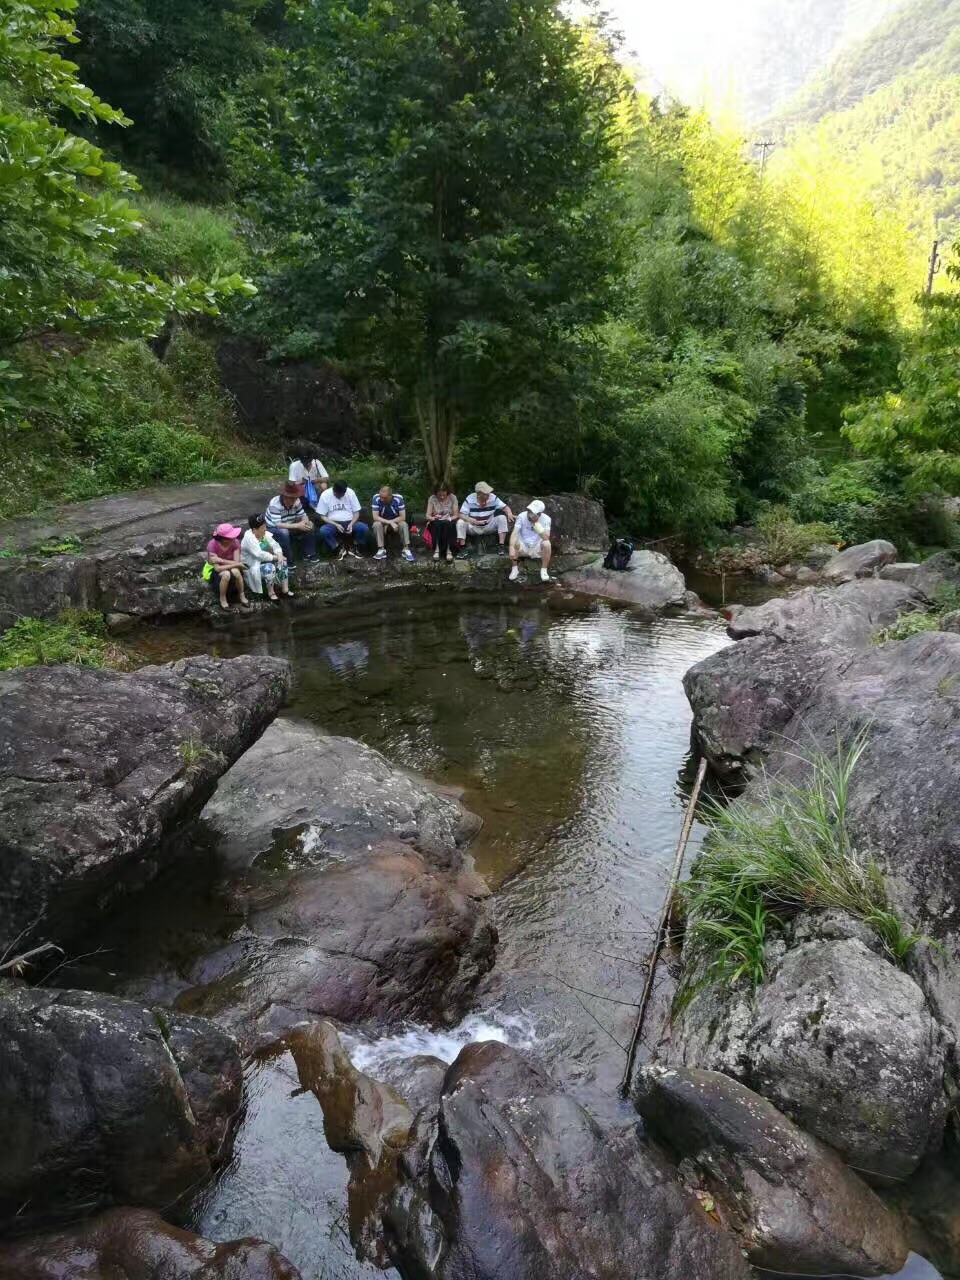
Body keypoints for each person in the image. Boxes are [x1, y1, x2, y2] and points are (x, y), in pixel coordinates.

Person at [241, 513, 292, 601]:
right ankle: (271, 593)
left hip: (266, 562)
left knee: (282, 562)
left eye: (265, 526)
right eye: (262, 528)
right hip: (253, 567)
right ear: (254, 530)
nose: (265, 529)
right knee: (270, 568)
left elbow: (275, 545)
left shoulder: (264, 534)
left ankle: (285, 589)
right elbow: (259, 554)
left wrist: (279, 554)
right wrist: (276, 557)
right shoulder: (248, 538)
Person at [315, 480, 370, 558]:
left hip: (350, 521)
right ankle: (338, 548)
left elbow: (356, 512)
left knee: (363, 528)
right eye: (338, 495)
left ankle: (356, 547)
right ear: (333, 490)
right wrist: (336, 524)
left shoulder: (350, 493)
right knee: (324, 531)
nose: (340, 496)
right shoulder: (325, 494)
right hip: (333, 523)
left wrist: (351, 524)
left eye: (342, 494)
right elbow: (322, 515)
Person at [266, 481, 317, 563]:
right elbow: (278, 524)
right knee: (284, 532)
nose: (295, 499)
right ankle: (289, 560)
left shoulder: (297, 501)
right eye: (292, 497)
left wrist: (306, 522)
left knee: (310, 525)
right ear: (285, 496)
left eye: (295, 497)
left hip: (290, 524)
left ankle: (309, 554)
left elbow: (303, 515)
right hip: (273, 529)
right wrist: (298, 525)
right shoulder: (275, 504)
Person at [457, 482, 514, 553]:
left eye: (488, 493)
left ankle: (501, 546)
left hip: (488, 525)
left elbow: (505, 507)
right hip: (473, 527)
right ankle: (463, 548)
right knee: (460, 522)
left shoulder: (493, 497)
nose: (488, 494)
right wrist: (471, 520)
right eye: (486, 493)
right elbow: (461, 515)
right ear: (479, 494)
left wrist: (509, 513)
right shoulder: (470, 499)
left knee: (502, 518)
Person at [205, 522, 251, 611]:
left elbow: (236, 561)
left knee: (236, 571)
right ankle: (222, 598)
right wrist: (236, 564)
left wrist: (221, 560)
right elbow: (217, 568)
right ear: (224, 539)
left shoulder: (235, 543)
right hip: (218, 574)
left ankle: (241, 594)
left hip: (233, 568)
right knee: (226, 574)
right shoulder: (212, 545)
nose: (234, 537)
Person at [509, 499, 552, 583]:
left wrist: (536, 523)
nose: (529, 514)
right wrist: (511, 547)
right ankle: (514, 569)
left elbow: (546, 537)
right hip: (523, 546)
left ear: (539, 514)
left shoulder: (547, 519)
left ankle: (543, 570)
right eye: (529, 511)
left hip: (537, 547)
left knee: (547, 544)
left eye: (532, 512)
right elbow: (515, 532)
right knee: (515, 541)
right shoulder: (522, 516)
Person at [372, 485, 415, 562]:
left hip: (396, 522)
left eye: (384, 498)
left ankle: (406, 549)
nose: (381, 499)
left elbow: (403, 517)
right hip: (383, 522)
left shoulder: (398, 499)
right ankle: (381, 549)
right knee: (376, 524)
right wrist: (389, 522)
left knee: (403, 524)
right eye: (381, 497)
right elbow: (375, 517)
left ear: (390, 496)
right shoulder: (376, 498)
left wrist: (392, 522)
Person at [425, 484, 459, 562]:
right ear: (436, 493)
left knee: (448, 524)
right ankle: (436, 550)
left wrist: (449, 518)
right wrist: (433, 518)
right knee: (437, 524)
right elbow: (427, 515)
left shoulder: (453, 497)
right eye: (439, 495)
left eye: (444, 494)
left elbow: (456, 515)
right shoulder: (432, 498)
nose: (442, 497)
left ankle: (449, 550)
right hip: (437, 520)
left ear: (447, 492)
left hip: (450, 519)